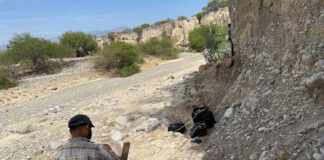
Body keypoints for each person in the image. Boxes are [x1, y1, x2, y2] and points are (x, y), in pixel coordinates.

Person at [56, 114, 121, 160]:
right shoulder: (97, 149)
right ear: (87, 126)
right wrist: (109, 150)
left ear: (70, 130)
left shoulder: (60, 152)